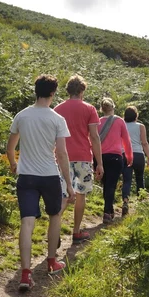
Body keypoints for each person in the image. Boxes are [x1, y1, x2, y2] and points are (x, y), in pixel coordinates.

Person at [7, 74, 76, 291]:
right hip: (49, 176)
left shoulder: (22, 116)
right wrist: (69, 184)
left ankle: (26, 274)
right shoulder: (57, 119)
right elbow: (62, 155)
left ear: (35, 90)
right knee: (54, 216)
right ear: (53, 93)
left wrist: (13, 164)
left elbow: (10, 148)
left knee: (27, 223)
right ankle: (51, 261)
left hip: (26, 176)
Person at [54, 75, 104, 244]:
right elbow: (95, 137)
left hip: (61, 156)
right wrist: (99, 163)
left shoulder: (58, 109)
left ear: (68, 90)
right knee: (81, 195)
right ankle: (76, 232)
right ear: (82, 90)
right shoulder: (89, 109)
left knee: (62, 195)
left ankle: (55, 231)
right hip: (83, 156)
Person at [98, 98, 132, 224]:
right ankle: (107, 212)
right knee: (111, 184)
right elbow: (126, 141)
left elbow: (93, 141)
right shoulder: (119, 121)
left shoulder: (97, 122)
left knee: (106, 184)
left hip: (100, 157)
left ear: (101, 109)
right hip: (115, 157)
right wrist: (129, 157)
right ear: (113, 107)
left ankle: (109, 210)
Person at [121, 106, 149, 216]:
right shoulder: (141, 126)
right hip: (138, 154)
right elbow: (144, 143)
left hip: (125, 154)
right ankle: (141, 203)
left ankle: (125, 201)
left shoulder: (122, 125)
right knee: (140, 178)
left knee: (127, 180)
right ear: (136, 115)